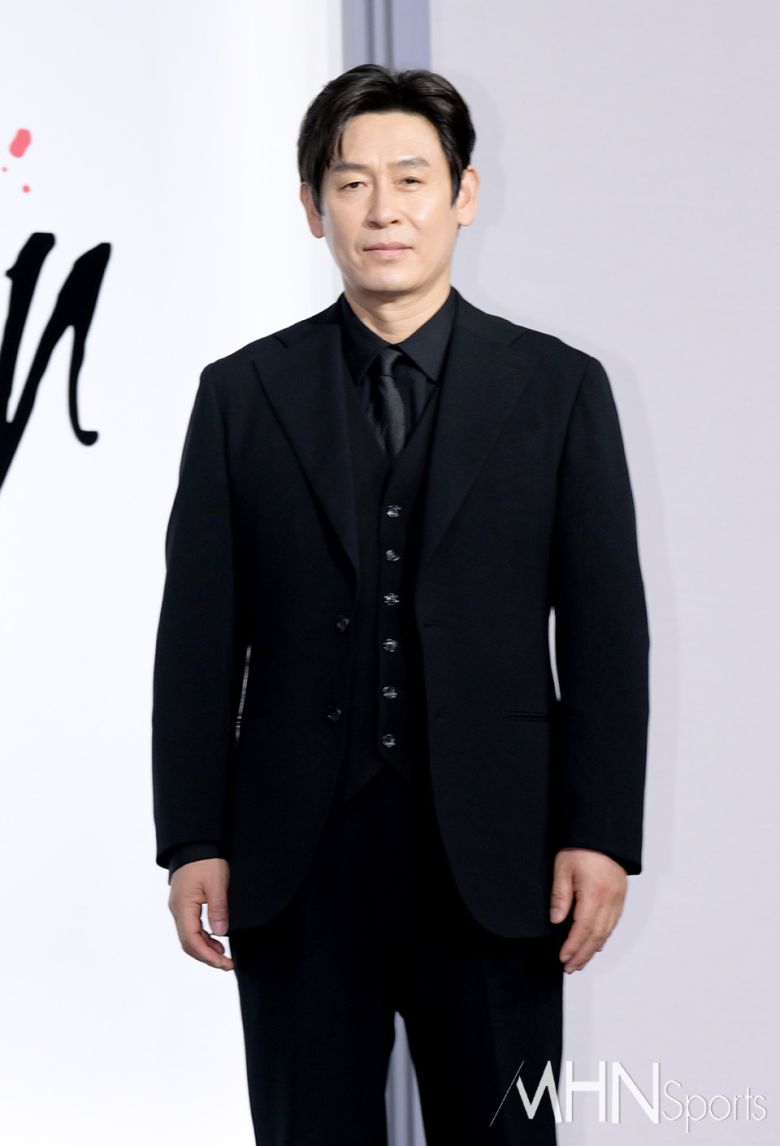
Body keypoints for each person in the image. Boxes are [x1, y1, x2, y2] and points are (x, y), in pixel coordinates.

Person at [151, 63, 650, 1145]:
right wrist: (192, 837)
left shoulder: (559, 388)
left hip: (499, 857)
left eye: (412, 179)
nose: (384, 210)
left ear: (463, 194)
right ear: (312, 206)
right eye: (352, 183)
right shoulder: (240, 395)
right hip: (295, 860)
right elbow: (197, 639)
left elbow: (607, 633)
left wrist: (601, 832)